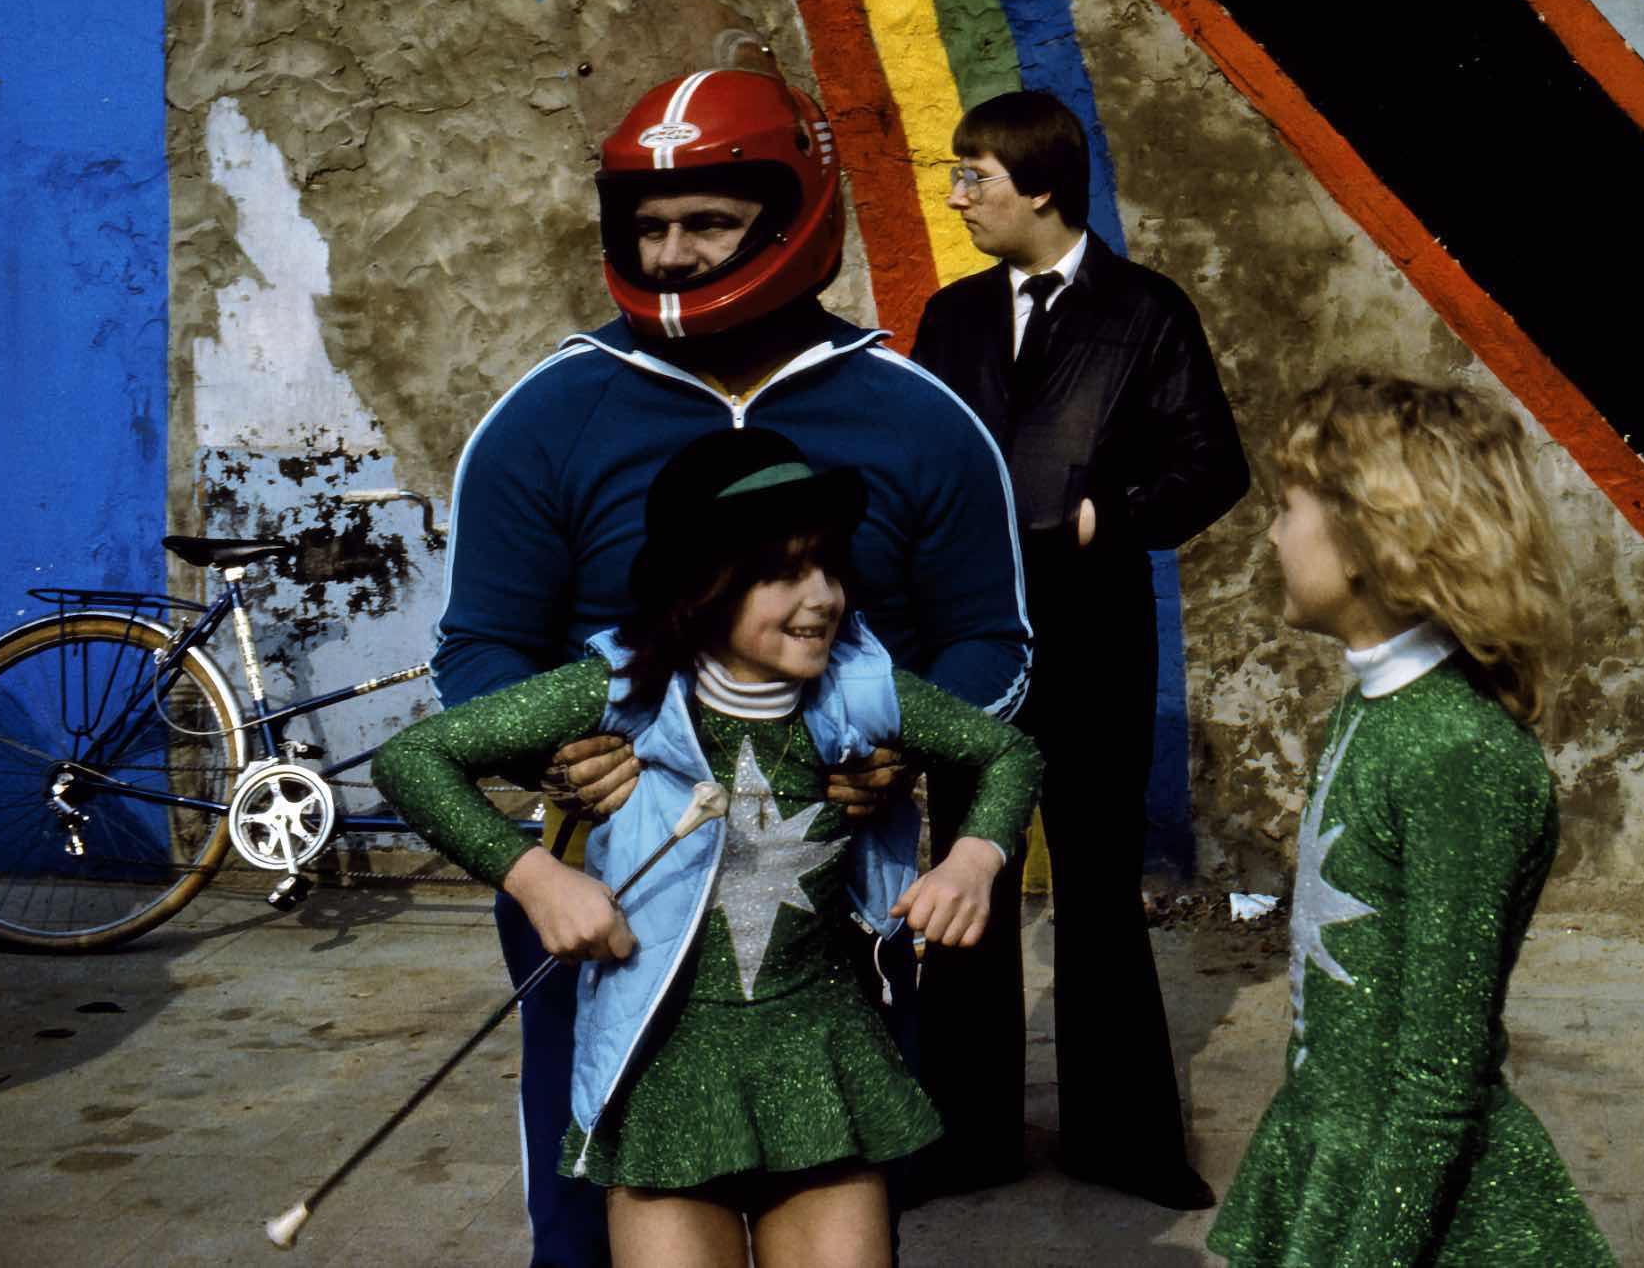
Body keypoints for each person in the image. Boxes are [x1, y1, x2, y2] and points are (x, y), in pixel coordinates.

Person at [433, 66, 1029, 1267]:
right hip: (609, 894)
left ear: (793, 212)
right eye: (647, 225)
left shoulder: (918, 417)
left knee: (840, 1198)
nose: (671, 253)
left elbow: (992, 639)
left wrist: (896, 744)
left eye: (708, 221)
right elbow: (478, 648)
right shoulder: (548, 416)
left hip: (835, 901)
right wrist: (555, 750)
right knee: (590, 1218)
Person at [376, 429, 1041, 1268]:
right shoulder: (622, 688)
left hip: (819, 1056)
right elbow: (412, 759)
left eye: (829, 566)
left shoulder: (860, 688)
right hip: (665, 1067)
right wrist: (538, 879)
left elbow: (1010, 751)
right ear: (703, 581)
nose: (823, 596)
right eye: (782, 572)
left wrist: (975, 857)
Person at [908, 88, 1248, 1206]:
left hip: (1097, 644)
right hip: (973, 646)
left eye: (977, 177)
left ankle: (1124, 1142)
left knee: (1099, 888)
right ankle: (962, 1138)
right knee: (968, 878)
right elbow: (924, 471)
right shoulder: (952, 318)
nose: (958, 197)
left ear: (1044, 187)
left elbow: (1215, 465)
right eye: (957, 174)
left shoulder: (1148, 311)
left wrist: (1112, 514)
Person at [1205, 371, 1614, 1267]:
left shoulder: (1457, 753)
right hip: (1341, 1149)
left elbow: (1440, 1080)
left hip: (1417, 1209)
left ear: (1363, 536)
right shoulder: (1376, 709)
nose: (1270, 533)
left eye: (1287, 507)